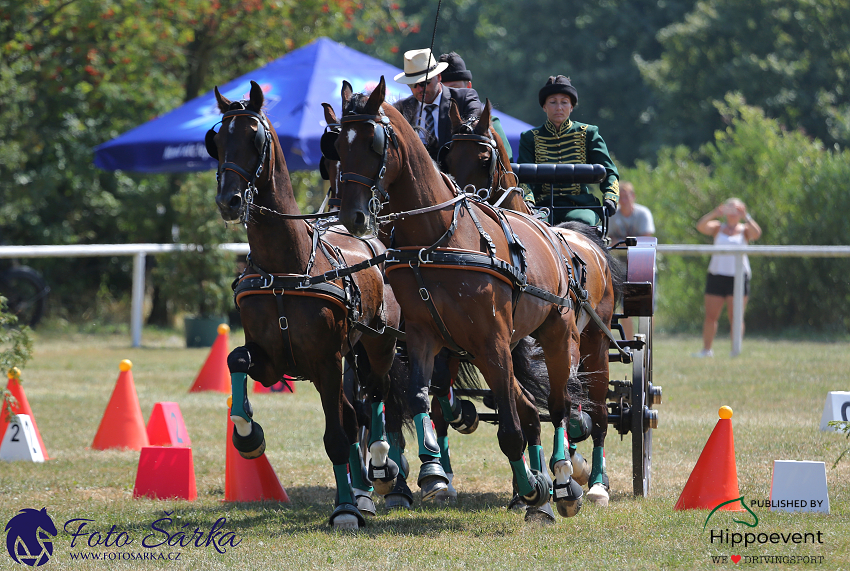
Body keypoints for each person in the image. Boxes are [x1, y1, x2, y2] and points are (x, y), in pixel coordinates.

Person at [517, 75, 619, 226]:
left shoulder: (588, 133)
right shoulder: (529, 138)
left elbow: (608, 171)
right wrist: (528, 202)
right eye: (553, 102)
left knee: (582, 222)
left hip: (580, 206)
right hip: (542, 208)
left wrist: (610, 197)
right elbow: (522, 177)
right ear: (544, 107)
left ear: (571, 107)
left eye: (564, 102)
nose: (559, 107)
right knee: (531, 227)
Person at [694, 198, 762, 357]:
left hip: (738, 277)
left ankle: (735, 351)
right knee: (711, 316)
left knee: (736, 317)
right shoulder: (718, 228)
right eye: (730, 208)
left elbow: (757, 234)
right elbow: (701, 226)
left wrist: (747, 217)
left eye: (736, 209)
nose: (732, 212)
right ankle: (706, 350)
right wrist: (715, 213)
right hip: (717, 275)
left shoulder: (745, 229)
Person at [394, 48, 482, 160]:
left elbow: (474, 123)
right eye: (412, 85)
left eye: (425, 82)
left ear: (439, 77)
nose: (419, 89)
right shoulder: (400, 110)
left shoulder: (464, 98)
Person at [438, 51, 513, 161]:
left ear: (468, 86)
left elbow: (507, 162)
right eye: (445, 90)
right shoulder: (431, 122)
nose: (450, 95)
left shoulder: (490, 124)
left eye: (455, 88)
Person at [607, 181, 655, 339]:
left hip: (642, 265)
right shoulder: (613, 216)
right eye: (621, 196)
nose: (624, 199)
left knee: (646, 307)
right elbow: (609, 239)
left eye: (627, 195)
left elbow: (645, 240)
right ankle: (628, 341)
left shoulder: (643, 214)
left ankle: (646, 339)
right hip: (621, 267)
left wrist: (621, 241)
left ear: (633, 196)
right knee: (624, 307)